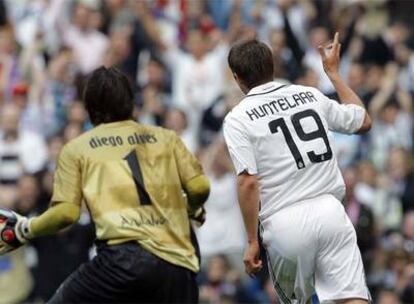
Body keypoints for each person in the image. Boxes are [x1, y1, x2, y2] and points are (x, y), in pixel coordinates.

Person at [0, 67, 210, 303]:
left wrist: (25, 228)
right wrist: (191, 206)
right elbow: (200, 188)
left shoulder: (78, 149)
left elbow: (66, 214)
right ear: (131, 102)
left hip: (121, 260)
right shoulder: (166, 138)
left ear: (89, 108)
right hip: (178, 262)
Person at [223, 34, 372, 304]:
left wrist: (251, 241)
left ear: (237, 77)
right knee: (352, 298)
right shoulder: (309, 94)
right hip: (331, 212)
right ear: (272, 65)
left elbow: (248, 182)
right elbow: (362, 120)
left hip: (285, 223)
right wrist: (334, 74)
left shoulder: (238, 118)